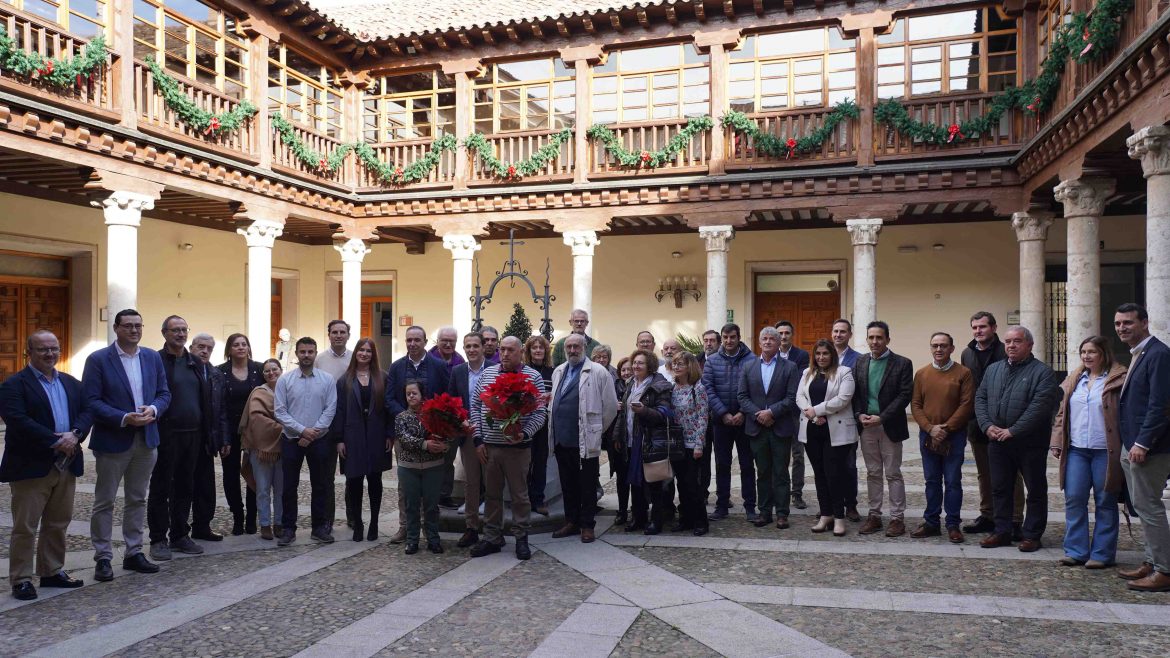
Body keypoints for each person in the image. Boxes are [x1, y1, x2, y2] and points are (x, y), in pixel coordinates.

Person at [0, 330, 91, 600]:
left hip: (67, 463)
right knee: (26, 526)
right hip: (31, 466)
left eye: (54, 348)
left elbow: (87, 411)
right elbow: (17, 420)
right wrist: (55, 441)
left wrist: (75, 434)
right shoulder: (13, 385)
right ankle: (21, 579)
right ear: (29, 352)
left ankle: (51, 571)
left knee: (58, 522)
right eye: (42, 349)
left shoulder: (72, 383)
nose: (50, 354)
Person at [83, 309, 170, 582]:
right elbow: (91, 400)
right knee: (105, 500)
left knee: (137, 498)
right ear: (116, 328)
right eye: (128, 326)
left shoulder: (152, 357)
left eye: (138, 326)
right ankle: (103, 557)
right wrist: (123, 418)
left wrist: (154, 410)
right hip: (113, 439)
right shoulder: (98, 359)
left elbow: (164, 393)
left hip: (147, 438)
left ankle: (134, 552)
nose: (134, 330)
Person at [974, 326, 1061, 552]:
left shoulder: (1042, 372)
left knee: (1035, 489)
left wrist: (1013, 430)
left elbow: (1040, 407)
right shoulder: (993, 370)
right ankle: (1002, 530)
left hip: (1029, 443)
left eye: (1017, 341)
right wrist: (987, 425)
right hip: (997, 441)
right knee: (1000, 488)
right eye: (1008, 341)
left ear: (1029, 345)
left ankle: (1032, 534)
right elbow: (980, 398)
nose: (1011, 345)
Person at [469, 336, 547, 560]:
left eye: (510, 350)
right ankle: (492, 537)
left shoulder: (533, 376)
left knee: (519, 495)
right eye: (502, 350)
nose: (504, 354)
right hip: (490, 447)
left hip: (518, 448)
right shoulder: (488, 373)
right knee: (492, 494)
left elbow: (540, 412)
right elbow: (475, 406)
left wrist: (524, 433)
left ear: (521, 352)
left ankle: (521, 537)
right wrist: (478, 440)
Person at [1050, 336, 1125, 568]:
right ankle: (1076, 550)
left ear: (1103, 353)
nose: (1086, 356)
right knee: (1074, 498)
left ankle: (1102, 554)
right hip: (1077, 450)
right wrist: (1057, 440)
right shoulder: (1075, 378)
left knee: (1105, 500)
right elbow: (1062, 413)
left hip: (1105, 449)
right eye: (1083, 352)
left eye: (1091, 351)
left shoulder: (1117, 379)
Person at [1114, 303, 1170, 591]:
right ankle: (1151, 560)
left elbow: (1160, 405)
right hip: (1133, 444)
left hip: (1149, 448)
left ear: (1145, 323)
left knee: (1149, 507)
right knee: (1141, 505)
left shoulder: (1159, 354)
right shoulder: (1140, 354)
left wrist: (1142, 443)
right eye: (1118, 323)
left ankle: (1165, 569)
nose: (1122, 328)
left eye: (1128, 323)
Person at [147, 316, 209, 561]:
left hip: (193, 434)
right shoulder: (156, 360)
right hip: (166, 434)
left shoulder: (195, 362)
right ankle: (158, 538)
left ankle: (180, 534)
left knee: (186, 486)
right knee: (161, 487)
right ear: (164, 333)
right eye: (176, 330)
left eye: (184, 330)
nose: (181, 334)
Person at [549, 334, 618, 543]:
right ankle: (571, 521)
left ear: (585, 348)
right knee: (567, 484)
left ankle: (587, 525)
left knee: (586, 485)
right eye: (569, 346)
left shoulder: (597, 372)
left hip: (585, 440)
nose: (572, 350)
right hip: (562, 439)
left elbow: (610, 407)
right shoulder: (559, 371)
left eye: (576, 346)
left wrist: (595, 430)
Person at [960, 311, 1023, 538]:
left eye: (983, 327)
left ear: (994, 328)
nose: (978, 331)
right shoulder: (967, 353)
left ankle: (1015, 519)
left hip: (1004, 423)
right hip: (977, 423)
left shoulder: (1006, 349)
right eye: (975, 327)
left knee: (1011, 473)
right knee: (984, 473)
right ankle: (988, 515)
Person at [909, 332, 975, 543]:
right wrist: (930, 428)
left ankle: (953, 524)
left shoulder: (963, 373)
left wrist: (945, 428)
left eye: (943, 346)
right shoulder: (921, 374)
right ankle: (931, 522)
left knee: (953, 480)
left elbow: (966, 405)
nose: (939, 349)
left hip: (953, 436)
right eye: (935, 345)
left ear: (952, 349)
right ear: (930, 348)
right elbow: (916, 405)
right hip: (928, 435)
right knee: (931, 481)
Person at [386, 325, 450, 542]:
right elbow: (389, 398)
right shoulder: (396, 367)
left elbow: (446, 396)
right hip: (404, 433)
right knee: (406, 487)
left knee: (432, 487)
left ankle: (431, 531)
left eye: (417, 340)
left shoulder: (439, 366)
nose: (412, 344)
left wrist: (435, 422)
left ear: (424, 342)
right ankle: (405, 527)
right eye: (409, 340)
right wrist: (406, 417)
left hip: (434, 433)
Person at [852, 321, 914, 538]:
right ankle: (874, 515)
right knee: (872, 472)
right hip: (867, 425)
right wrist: (859, 414)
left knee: (893, 473)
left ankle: (897, 518)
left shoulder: (902, 363)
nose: (875, 342)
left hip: (890, 425)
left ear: (888, 339)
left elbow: (904, 395)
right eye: (871, 337)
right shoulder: (860, 362)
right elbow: (856, 393)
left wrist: (882, 417)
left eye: (879, 337)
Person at [274, 337, 338, 546]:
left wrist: (313, 433)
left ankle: (319, 527)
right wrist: (303, 431)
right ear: (297, 354)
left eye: (310, 352)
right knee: (289, 486)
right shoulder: (285, 380)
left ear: (315, 352)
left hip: (319, 440)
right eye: (303, 352)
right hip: (292, 440)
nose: (306, 355)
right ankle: (288, 529)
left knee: (320, 484)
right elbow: (280, 412)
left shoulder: (327, 380)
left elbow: (330, 409)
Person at [738, 326, 800, 529]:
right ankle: (764, 512)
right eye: (764, 338)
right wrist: (759, 414)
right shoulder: (748, 366)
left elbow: (792, 398)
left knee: (780, 472)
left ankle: (782, 513)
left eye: (772, 339)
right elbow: (742, 397)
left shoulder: (789, 367)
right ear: (759, 342)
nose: (767, 342)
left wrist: (771, 413)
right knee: (762, 472)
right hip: (757, 428)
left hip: (780, 426)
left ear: (778, 343)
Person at [331, 338, 392, 542]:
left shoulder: (383, 377)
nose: (364, 354)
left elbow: (389, 410)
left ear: (373, 354)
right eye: (361, 350)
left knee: (375, 481)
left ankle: (374, 522)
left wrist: (390, 435)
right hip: (352, 437)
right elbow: (338, 411)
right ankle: (357, 523)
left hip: (376, 436)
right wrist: (339, 439)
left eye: (368, 351)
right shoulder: (344, 380)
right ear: (355, 352)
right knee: (354, 482)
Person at [796, 339, 856, 537]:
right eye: (818, 354)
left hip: (835, 432)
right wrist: (811, 414)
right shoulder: (807, 373)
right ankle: (826, 515)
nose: (821, 357)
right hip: (812, 430)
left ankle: (839, 517)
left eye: (825, 353)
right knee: (819, 474)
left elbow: (843, 399)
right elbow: (799, 397)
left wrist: (818, 411)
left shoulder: (844, 372)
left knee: (834, 475)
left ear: (832, 355)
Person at [614, 349, 675, 534]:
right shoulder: (631, 383)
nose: (635, 366)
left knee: (654, 482)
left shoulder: (660, 385)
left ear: (650, 365)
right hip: (631, 441)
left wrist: (644, 411)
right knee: (635, 482)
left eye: (640, 363)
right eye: (634, 363)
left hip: (649, 441)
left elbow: (665, 414)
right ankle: (638, 517)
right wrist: (617, 435)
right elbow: (623, 413)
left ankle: (656, 520)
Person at [703, 323, 757, 522]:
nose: (728, 341)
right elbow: (707, 388)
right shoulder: (712, 361)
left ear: (738, 337)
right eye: (725, 337)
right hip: (720, 421)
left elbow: (756, 389)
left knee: (747, 465)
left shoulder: (752, 360)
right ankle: (722, 505)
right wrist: (723, 413)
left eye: (732, 337)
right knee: (722, 464)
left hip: (745, 421)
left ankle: (750, 506)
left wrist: (743, 412)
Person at [217, 333, 264, 535]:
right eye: (236, 345)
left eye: (244, 344)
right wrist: (223, 437)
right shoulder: (220, 372)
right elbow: (219, 406)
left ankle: (252, 518)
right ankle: (238, 515)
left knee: (254, 472)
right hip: (230, 431)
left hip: (255, 431)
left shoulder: (259, 369)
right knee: (230, 475)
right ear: (229, 349)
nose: (240, 347)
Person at [393, 380, 447, 554]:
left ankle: (433, 539)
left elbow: (448, 433)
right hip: (409, 467)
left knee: (431, 505)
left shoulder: (435, 415)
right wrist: (425, 444)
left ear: (422, 394)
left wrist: (444, 445)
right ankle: (412, 540)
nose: (411, 396)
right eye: (408, 394)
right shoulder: (401, 417)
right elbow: (404, 438)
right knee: (411, 505)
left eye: (414, 393)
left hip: (433, 466)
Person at [188, 332, 229, 543]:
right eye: (200, 346)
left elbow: (221, 409)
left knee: (206, 486)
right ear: (192, 347)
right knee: (182, 486)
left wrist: (224, 438)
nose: (204, 351)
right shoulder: (183, 368)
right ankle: (177, 530)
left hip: (207, 439)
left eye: (209, 348)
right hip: (184, 438)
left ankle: (202, 526)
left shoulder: (215, 374)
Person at [448, 332, 487, 548]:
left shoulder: (494, 369)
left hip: (491, 435)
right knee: (471, 483)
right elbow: (453, 401)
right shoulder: (458, 371)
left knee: (492, 482)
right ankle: (471, 527)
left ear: (483, 347)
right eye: (467, 346)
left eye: (475, 346)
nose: (471, 350)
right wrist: (461, 421)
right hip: (469, 433)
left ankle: (492, 528)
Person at [241, 359, 284, 540]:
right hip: (260, 448)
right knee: (263, 489)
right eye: (267, 371)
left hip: (283, 448)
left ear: (281, 370)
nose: (271, 373)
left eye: (274, 369)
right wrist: (284, 427)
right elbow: (256, 420)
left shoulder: (287, 391)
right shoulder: (258, 393)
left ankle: (279, 524)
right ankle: (265, 524)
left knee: (281, 490)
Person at [669, 351, 709, 536]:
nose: (676, 367)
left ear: (689, 367)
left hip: (693, 443)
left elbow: (703, 417)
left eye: (680, 364)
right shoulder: (672, 388)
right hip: (676, 443)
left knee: (693, 484)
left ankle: (700, 521)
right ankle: (685, 518)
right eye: (675, 364)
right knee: (681, 485)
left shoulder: (697, 388)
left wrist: (699, 444)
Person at [315, 320, 351, 528]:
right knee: (325, 476)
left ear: (348, 335)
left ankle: (352, 516)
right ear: (328, 335)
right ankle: (327, 518)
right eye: (334, 332)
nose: (338, 335)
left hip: (348, 424)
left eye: (342, 332)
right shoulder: (320, 360)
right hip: (326, 426)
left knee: (352, 475)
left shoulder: (356, 358)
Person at [775, 321, 810, 511]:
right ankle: (779, 492)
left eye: (787, 332)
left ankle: (797, 493)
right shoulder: (768, 355)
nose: (783, 336)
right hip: (777, 412)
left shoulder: (802, 355)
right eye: (780, 333)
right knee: (779, 455)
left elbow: (798, 380)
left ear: (792, 335)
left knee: (798, 455)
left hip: (796, 412)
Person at [830, 319, 862, 521]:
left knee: (848, 466)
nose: (838, 335)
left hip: (847, 419)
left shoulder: (858, 359)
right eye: (835, 331)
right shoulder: (823, 355)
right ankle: (831, 505)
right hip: (825, 421)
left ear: (850, 334)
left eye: (843, 331)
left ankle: (850, 505)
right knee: (828, 466)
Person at [523, 335, 555, 516]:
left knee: (540, 462)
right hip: (526, 422)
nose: (537, 350)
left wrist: (550, 396)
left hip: (544, 423)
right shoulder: (523, 371)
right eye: (534, 347)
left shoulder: (552, 372)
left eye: (540, 347)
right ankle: (524, 499)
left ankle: (538, 498)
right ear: (528, 351)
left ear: (546, 351)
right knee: (525, 461)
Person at [608, 356, 633, 524]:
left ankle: (640, 511)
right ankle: (622, 510)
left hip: (634, 437)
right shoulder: (613, 387)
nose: (626, 373)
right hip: (617, 439)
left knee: (637, 477)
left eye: (629, 370)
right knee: (621, 477)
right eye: (623, 370)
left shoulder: (638, 386)